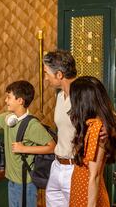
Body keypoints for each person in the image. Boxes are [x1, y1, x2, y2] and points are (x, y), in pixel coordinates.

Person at [68, 76, 116, 207]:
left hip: (87, 196)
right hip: (81, 191)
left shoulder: (95, 127)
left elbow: (95, 175)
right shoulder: (91, 124)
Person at [43, 50, 77, 206]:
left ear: (59, 75)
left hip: (76, 168)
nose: (45, 78)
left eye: (46, 73)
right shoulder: (59, 96)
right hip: (57, 166)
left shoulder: (85, 94)